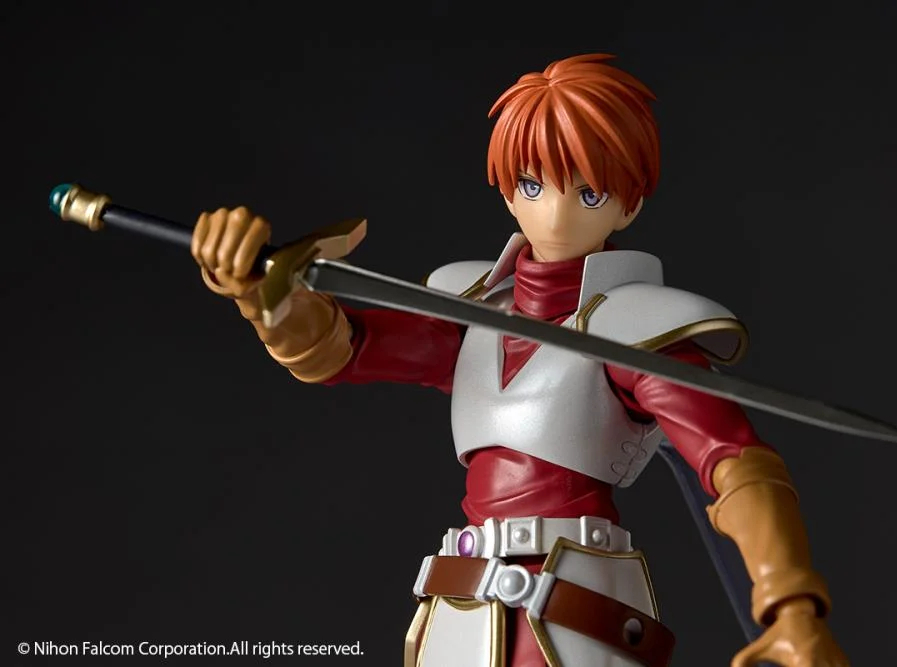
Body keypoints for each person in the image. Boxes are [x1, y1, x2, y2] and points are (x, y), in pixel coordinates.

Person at [190, 54, 849, 667]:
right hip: (462, 610)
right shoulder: (471, 309)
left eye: (587, 193)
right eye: (533, 184)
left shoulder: (638, 331)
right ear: (508, 191)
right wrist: (264, 297)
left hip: (576, 617)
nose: (555, 214)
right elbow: (340, 348)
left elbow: (735, 461)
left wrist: (791, 604)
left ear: (630, 202)